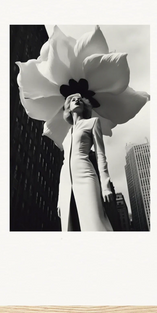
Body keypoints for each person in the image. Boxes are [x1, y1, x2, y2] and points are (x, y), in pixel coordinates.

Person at [57, 93, 114, 231]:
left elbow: (100, 154)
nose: (76, 101)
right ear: (68, 108)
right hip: (66, 181)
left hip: (86, 174)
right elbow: (65, 163)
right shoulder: (67, 134)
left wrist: (105, 185)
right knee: (68, 227)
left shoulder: (93, 122)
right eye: (72, 100)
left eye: (80, 101)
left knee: (95, 222)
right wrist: (60, 197)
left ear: (84, 107)